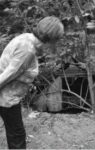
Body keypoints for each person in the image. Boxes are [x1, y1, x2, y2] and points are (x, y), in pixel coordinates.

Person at [0, 16, 64, 149]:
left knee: (15, 132)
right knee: (17, 135)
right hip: (6, 98)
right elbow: (7, 75)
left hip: (9, 95)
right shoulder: (27, 51)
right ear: (52, 38)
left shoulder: (27, 38)